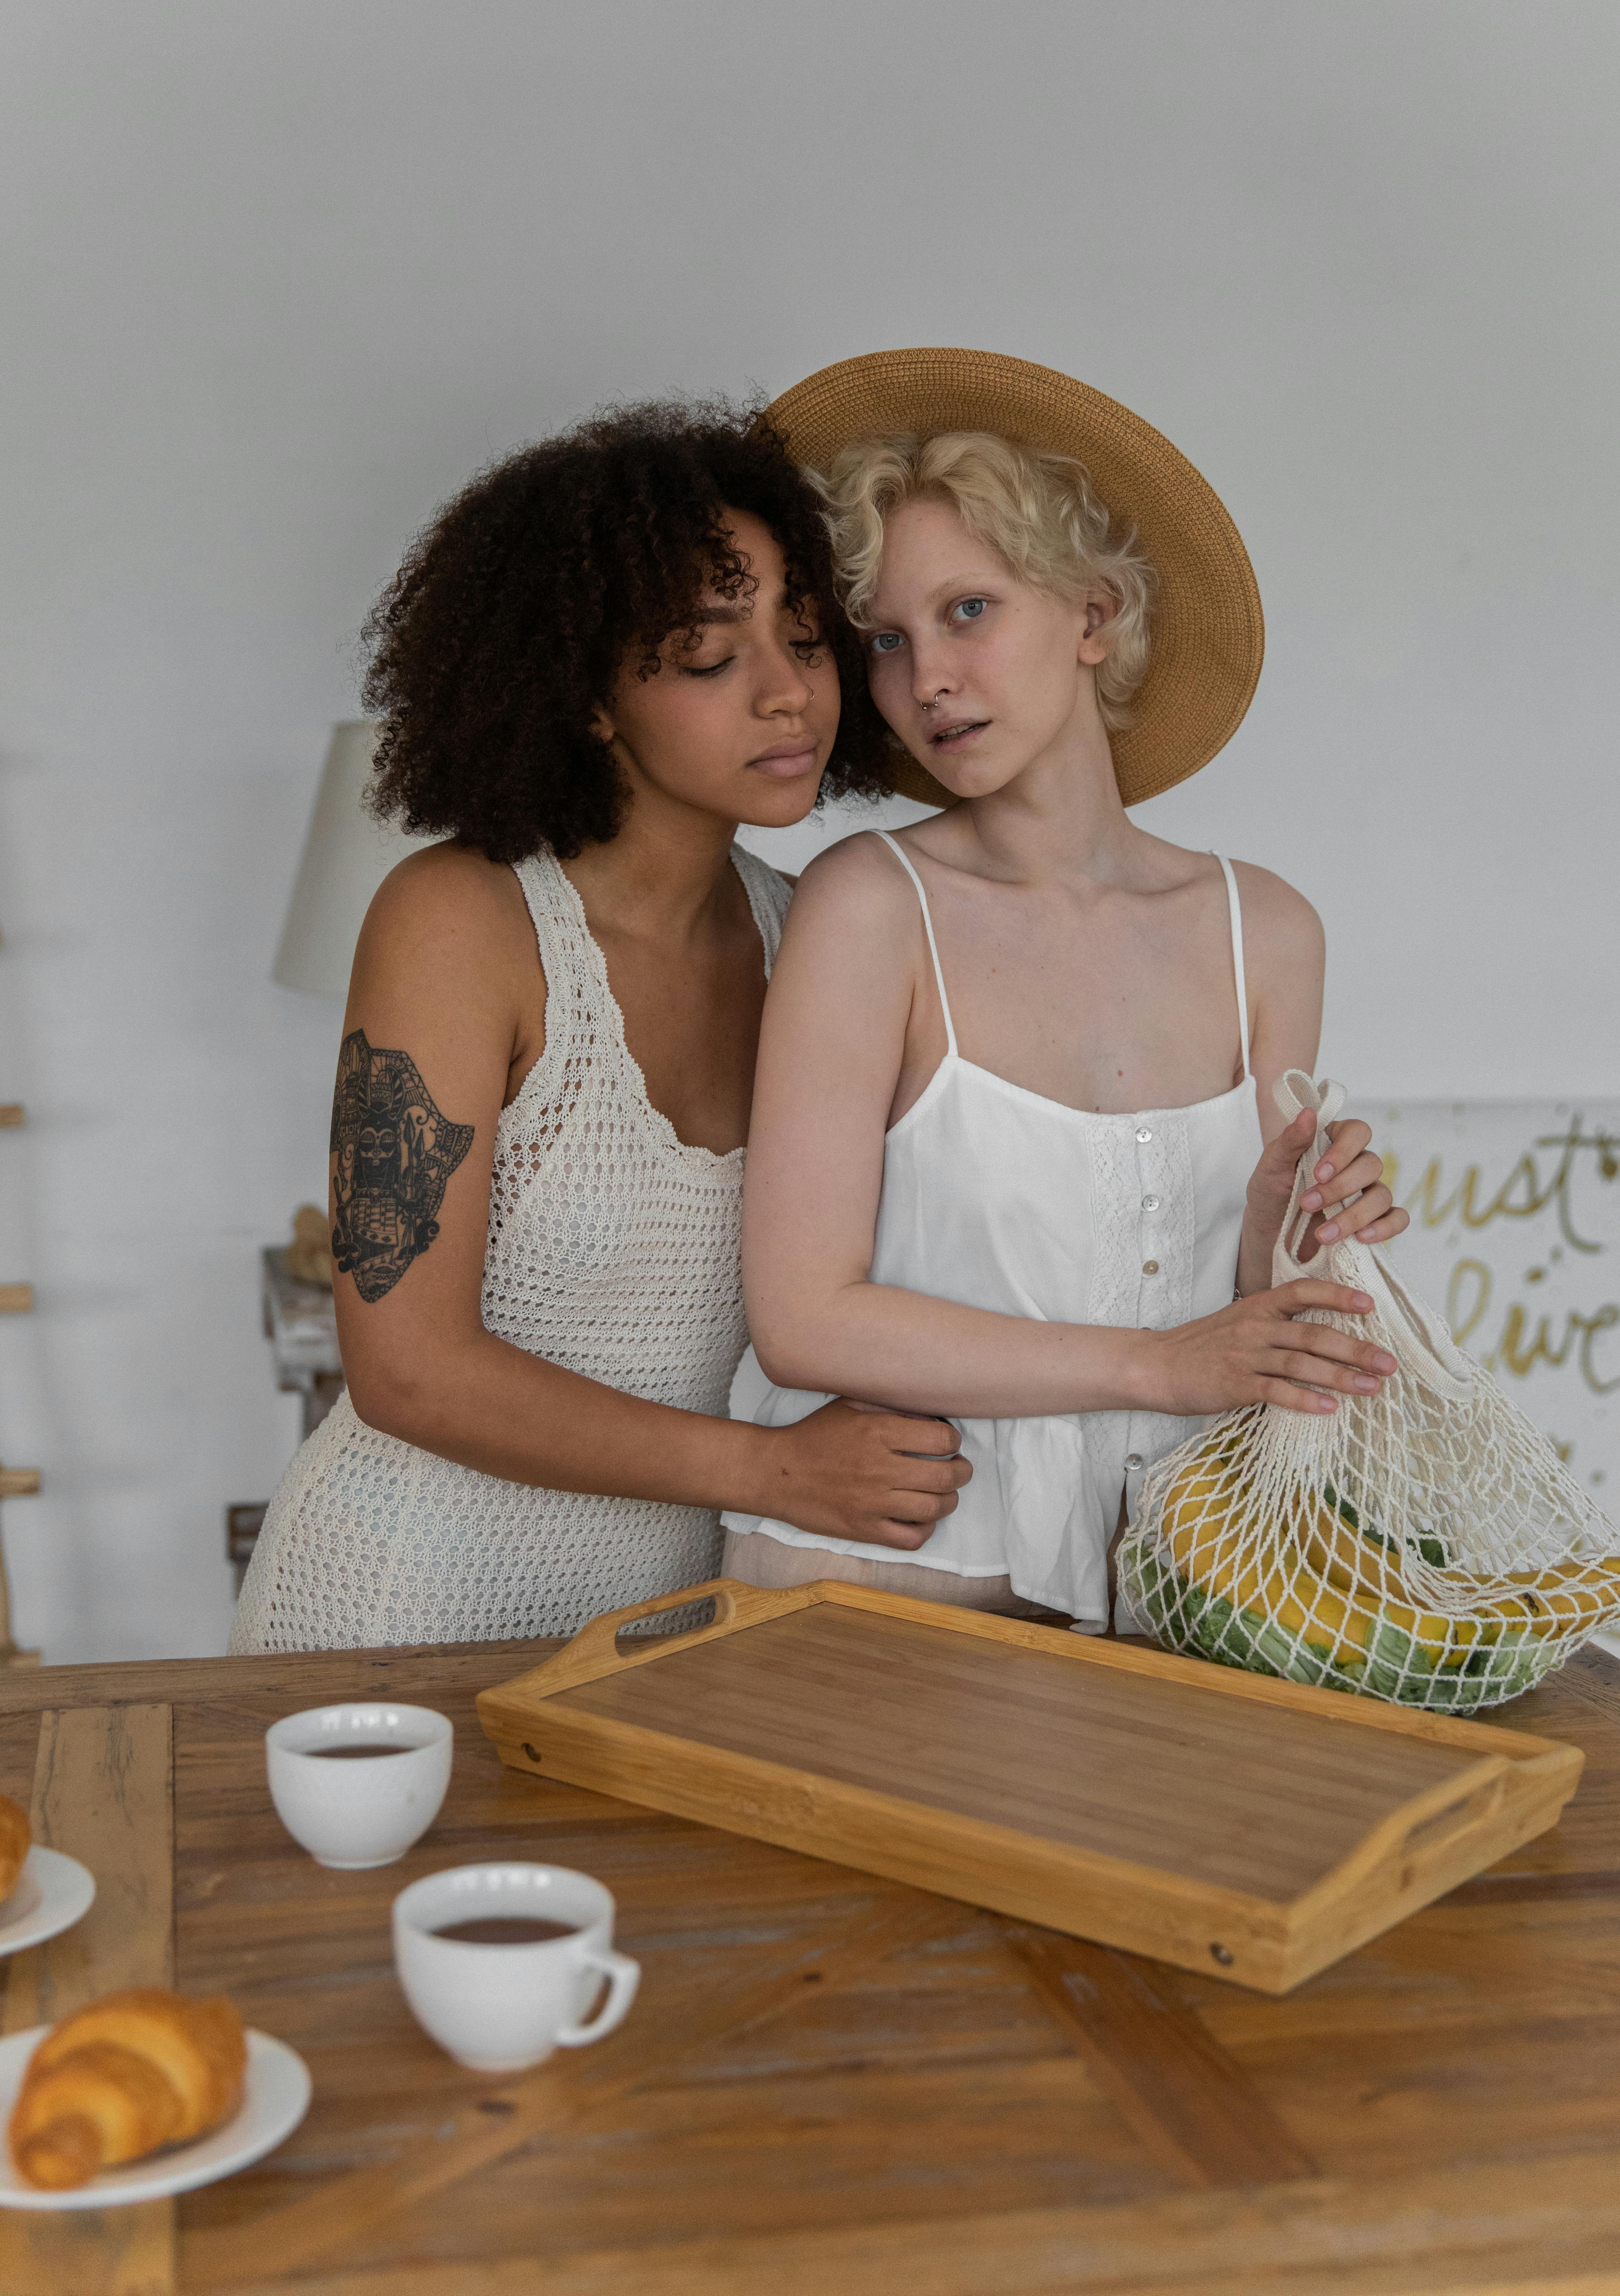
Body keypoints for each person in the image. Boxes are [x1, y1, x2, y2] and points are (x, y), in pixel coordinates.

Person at [230, 399, 975, 1652]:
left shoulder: (825, 937)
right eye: (708, 656)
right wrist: (775, 1473)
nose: (788, 694)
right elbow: (407, 1368)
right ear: (584, 695)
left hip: (664, 1647)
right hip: (390, 1623)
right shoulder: (460, 920)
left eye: (804, 638)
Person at [724, 349, 1410, 1633]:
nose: (924, 678)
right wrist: (1156, 1368)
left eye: (968, 612)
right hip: (889, 1585)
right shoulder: (869, 907)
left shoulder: (1267, 931)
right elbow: (802, 1319)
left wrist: (1285, 1233)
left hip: (1166, 1591)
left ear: (1095, 616)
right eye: (886, 639)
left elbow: (1233, 1325)